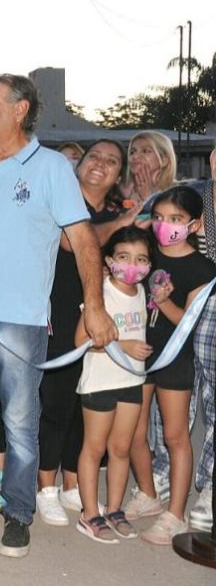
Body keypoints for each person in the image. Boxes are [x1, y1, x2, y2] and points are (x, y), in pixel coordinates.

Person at [0, 73, 117, 558]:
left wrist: (94, 306)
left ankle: (18, 511)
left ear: (21, 109)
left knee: (19, 420)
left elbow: (82, 239)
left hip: (21, 320)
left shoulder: (51, 166)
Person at [37, 139, 135, 526]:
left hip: (97, 317)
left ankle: (72, 482)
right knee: (57, 403)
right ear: (79, 164)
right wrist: (120, 225)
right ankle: (46, 486)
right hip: (56, 314)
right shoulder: (57, 199)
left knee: (86, 402)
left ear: (117, 175)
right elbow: (72, 241)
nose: (101, 164)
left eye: (112, 161)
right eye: (95, 156)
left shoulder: (113, 210)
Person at [126, 186, 216, 544]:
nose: (165, 226)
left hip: (174, 358)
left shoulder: (203, 269)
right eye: (160, 218)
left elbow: (188, 322)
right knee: (134, 431)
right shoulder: (145, 253)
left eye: (176, 220)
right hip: (137, 352)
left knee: (174, 434)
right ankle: (148, 493)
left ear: (194, 225)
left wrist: (162, 302)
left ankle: (176, 513)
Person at [73, 225, 153, 544]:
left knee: (120, 449)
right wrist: (124, 344)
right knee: (94, 448)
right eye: (124, 257)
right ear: (108, 261)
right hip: (100, 382)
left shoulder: (142, 292)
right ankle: (89, 513)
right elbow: (80, 340)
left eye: (141, 259)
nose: (133, 265)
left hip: (131, 382)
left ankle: (114, 508)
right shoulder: (101, 293)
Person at [184, 147, 216, 531]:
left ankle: (209, 486)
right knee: (172, 402)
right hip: (181, 306)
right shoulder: (191, 197)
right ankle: (160, 479)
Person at [120, 131, 177, 204]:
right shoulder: (118, 192)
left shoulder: (177, 193)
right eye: (132, 152)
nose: (135, 156)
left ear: (164, 160)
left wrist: (148, 198)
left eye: (145, 151)